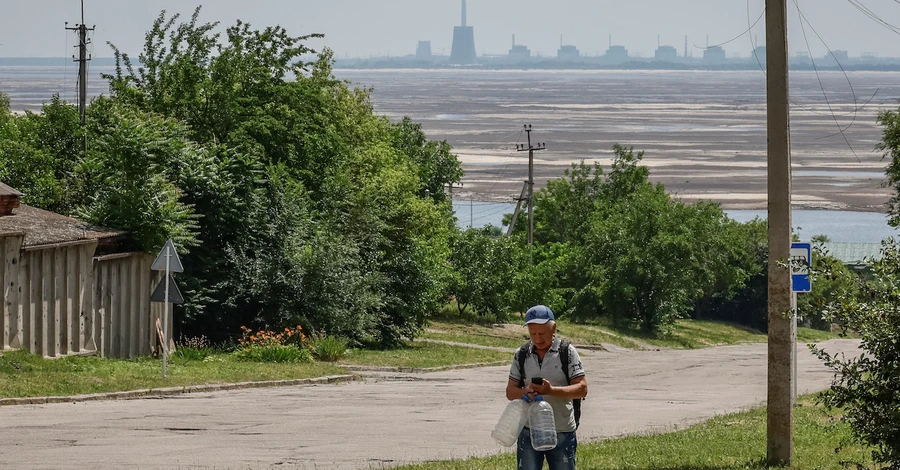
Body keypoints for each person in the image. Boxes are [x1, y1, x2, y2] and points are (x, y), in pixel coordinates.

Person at [506, 305, 588, 470]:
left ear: (554, 328)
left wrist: (551, 391)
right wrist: (525, 391)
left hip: (562, 431)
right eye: (533, 333)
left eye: (542, 333)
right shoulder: (521, 354)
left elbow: (582, 388)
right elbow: (510, 392)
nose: (537, 338)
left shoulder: (567, 352)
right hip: (529, 430)